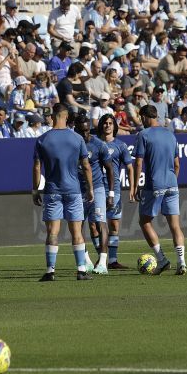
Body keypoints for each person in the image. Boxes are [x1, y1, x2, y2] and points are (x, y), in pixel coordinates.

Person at [32, 103, 94, 281]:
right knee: (77, 232)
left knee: (52, 232)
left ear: (53, 115)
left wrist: (35, 190)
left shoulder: (43, 139)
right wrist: (90, 189)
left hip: (52, 191)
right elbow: (86, 166)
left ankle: (50, 271)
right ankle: (81, 270)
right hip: (73, 191)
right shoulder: (77, 139)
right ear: (66, 116)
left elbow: (37, 168)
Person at [132, 104, 186, 275]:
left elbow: (139, 162)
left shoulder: (143, 135)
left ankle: (162, 260)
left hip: (154, 184)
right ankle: (182, 262)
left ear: (145, 117)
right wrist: (172, 181)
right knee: (175, 226)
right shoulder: (170, 135)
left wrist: (135, 186)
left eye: (141, 118)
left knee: (144, 221)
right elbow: (177, 164)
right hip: (172, 183)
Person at [73, 113, 115, 275]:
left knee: (100, 222)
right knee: (78, 224)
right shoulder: (72, 144)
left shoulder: (98, 144)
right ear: (75, 129)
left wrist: (110, 193)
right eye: (81, 131)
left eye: (86, 130)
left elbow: (110, 169)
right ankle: (86, 259)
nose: (85, 134)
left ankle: (103, 262)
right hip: (77, 190)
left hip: (97, 188)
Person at [97, 114, 134, 269]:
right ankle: (101, 259)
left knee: (114, 225)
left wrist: (132, 188)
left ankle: (112, 260)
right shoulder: (94, 144)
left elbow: (130, 168)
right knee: (97, 225)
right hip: (97, 188)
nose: (107, 125)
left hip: (115, 190)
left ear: (114, 126)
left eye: (110, 123)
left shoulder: (121, 146)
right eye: (105, 123)